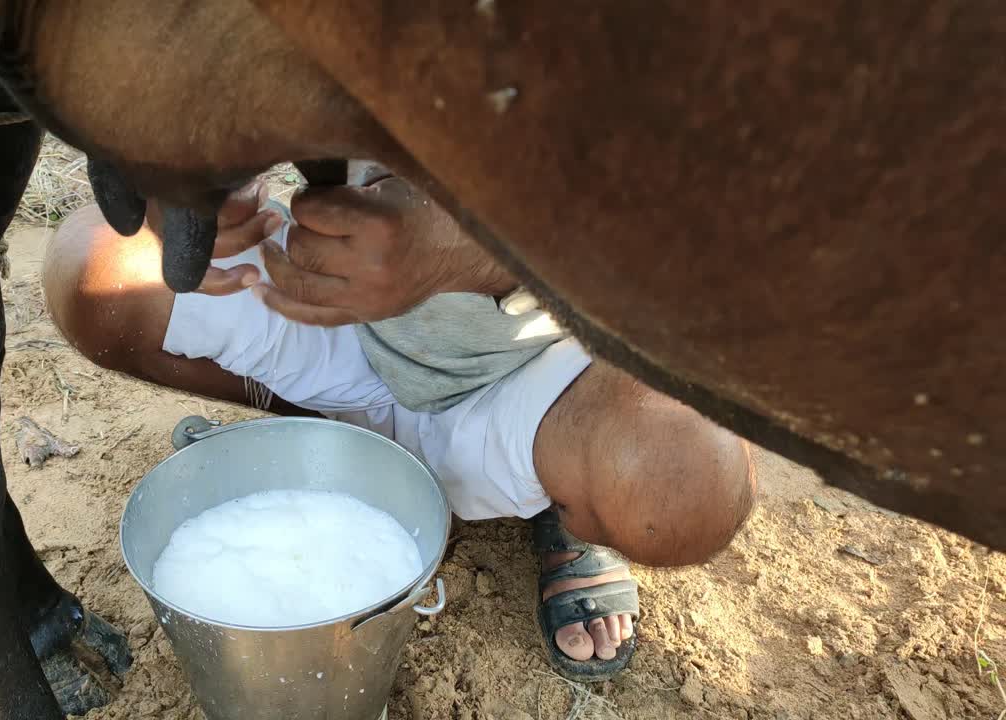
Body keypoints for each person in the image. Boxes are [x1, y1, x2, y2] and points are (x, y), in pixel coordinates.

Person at [41, 164, 755, 680]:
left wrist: (475, 253)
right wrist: (203, 178)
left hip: (549, 368)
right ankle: (329, 439)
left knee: (686, 489)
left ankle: (559, 503)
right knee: (96, 272)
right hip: (350, 310)